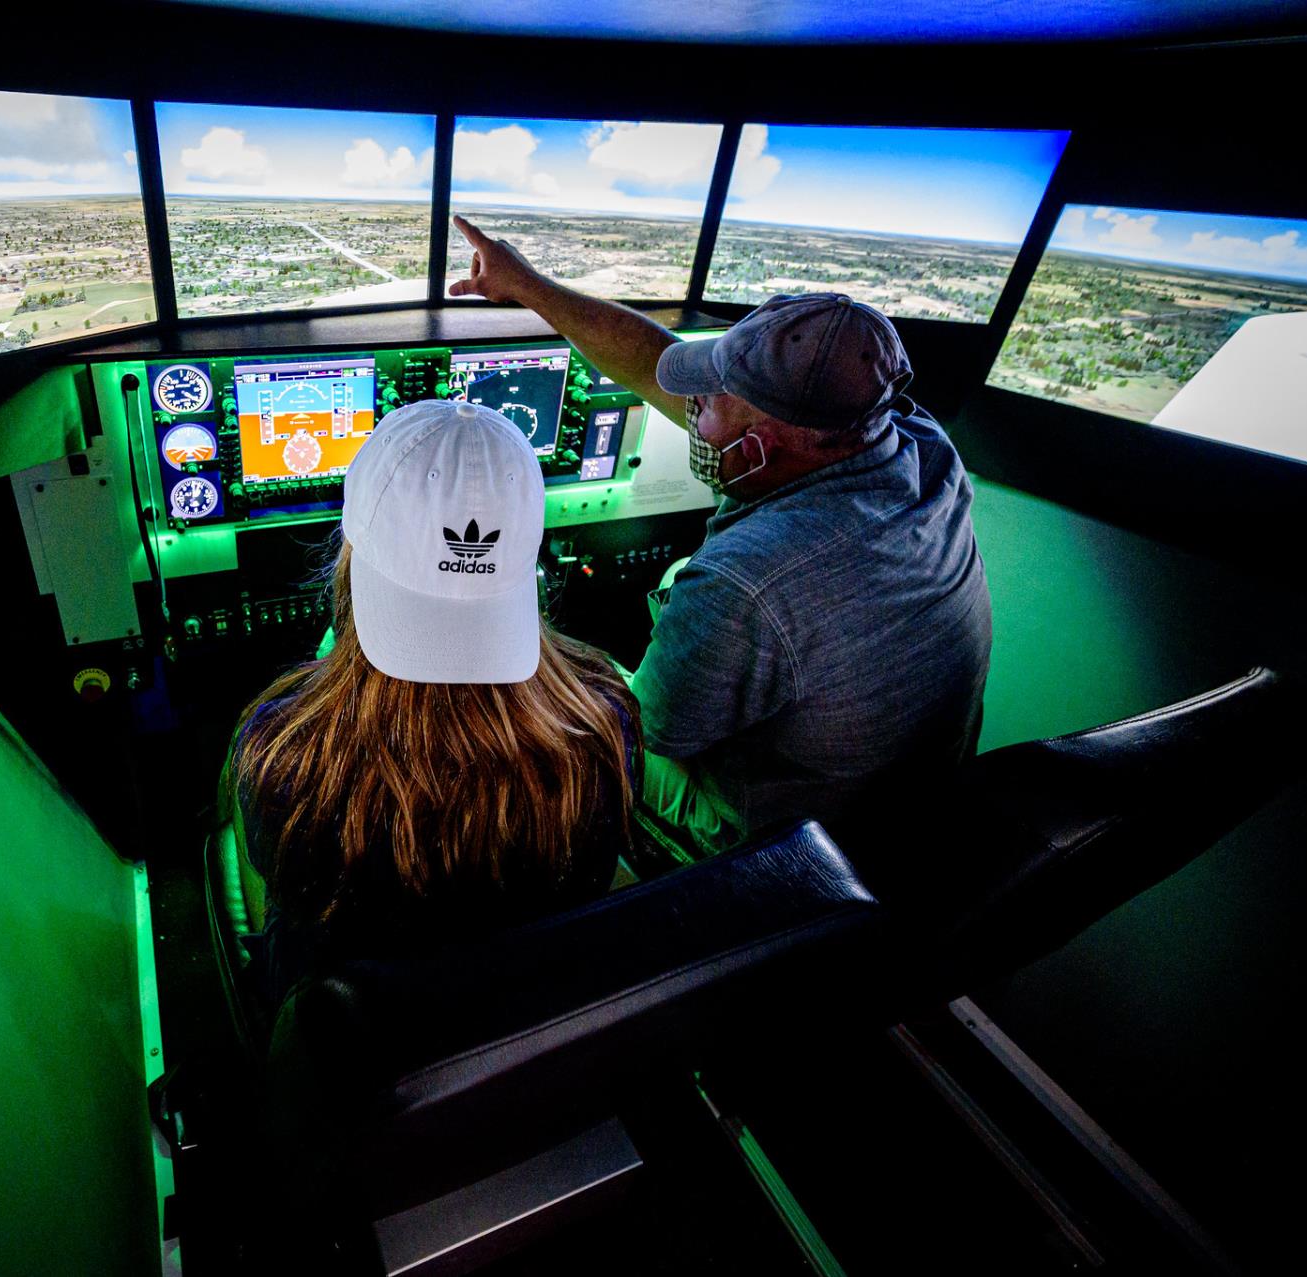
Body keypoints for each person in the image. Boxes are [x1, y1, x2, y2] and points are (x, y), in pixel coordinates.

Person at [450, 215, 993, 859]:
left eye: (705, 407)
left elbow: (640, 731)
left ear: (759, 450)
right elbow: (659, 368)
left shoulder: (746, 583)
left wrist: (514, 633)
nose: (691, 409)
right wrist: (530, 285)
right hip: (908, 802)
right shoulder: (917, 441)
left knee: (574, 707)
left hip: (801, 845)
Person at [223, 397, 639, 1006]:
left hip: (360, 1040)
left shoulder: (282, 746)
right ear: (531, 567)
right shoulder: (606, 715)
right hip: (533, 1013)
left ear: (349, 556)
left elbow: (283, 880)